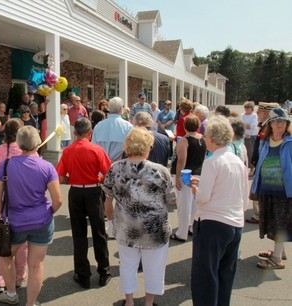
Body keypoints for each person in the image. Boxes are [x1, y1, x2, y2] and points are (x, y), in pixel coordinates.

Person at [103, 127, 176, 306]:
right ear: (148, 147)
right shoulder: (160, 171)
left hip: (126, 227)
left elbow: (107, 200)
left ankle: (129, 302)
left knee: (127, 265)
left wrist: (111, 221)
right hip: (155, 230)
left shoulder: (115, 168)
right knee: (154, 268)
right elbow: (172, 200)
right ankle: (148, 303)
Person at [0, 126, 62, 306]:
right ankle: (30, 303)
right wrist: (48, 212)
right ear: (38, 142)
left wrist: (3, 213)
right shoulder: (47, 167)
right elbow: (58, 200)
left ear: (19, 142)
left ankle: (11, 294)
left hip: (14, 222)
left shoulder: (5, 165)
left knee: (5, 257)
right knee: (36, 265)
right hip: (41, 221)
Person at [189, 115, 249, 306]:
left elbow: (203, 198)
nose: (204, 139)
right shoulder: (237, 161)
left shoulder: (212, 161)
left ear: (212, 138)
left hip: (212, 224)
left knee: (205, 277)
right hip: (234, 224)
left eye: (206, 136)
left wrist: (195, 190)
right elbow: (242, 195)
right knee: (225, 275)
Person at [56, 118, 112, 289]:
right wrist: (99, 178)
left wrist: (72, 178)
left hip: (76, 192)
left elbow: (60, 177)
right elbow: (108, 173)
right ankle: (104, 271)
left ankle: (82, 274)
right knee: (99, 232)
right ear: (90, 133)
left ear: (74, 133)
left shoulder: (67, 151)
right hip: (94, 191)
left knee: (79, 234)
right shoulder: (97, 149)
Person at [0, 118, 28, 293]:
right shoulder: (26, 151)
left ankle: (0, 278)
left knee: (5, 239)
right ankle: (19, 276)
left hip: (4, 199)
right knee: (22, 242)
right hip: (23, 199)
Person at [251, 107, 292, 269]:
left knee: (280, 222)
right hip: (267, 189)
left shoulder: (290, 142)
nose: (280, 124)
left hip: (283, 191)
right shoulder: (266, 141)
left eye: (283, 122)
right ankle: (279, 251)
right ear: (271, 124)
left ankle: (276, 259)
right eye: (277, 122)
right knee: (273, 221)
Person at [171, 115, 206, 242]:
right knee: (194, 205)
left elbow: (181, 161)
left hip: (187, 175)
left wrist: (178, 177)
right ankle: (192, 227)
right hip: (199, 173)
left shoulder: (184, 140)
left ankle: (182, 233)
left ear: (185, 126)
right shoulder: (203, 139)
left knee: (183, 205)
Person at [246, 102, 280, 224]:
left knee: (260, 190)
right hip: (262, 164)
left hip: (265, 166)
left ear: (266, 113)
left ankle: (260, 215)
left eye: (259, 111)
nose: (257, 114)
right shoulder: (266, 125)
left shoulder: (269, 127)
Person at [92, 97, 133, 161]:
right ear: (121, 109)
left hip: (101, 165)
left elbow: (93, 147)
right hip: (120, 166)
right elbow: (131, 149)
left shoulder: (98, 126)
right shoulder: (128, 126)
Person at [241, 101, 258, 177]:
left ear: (252, 108)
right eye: (245, 107)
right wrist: (246, 126)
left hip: (251, 136)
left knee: (250, 153)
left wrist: (244, 125)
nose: (246, 109)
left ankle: (252, 168)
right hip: (242, 136)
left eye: (248, 107)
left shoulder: (254, 116)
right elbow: (239, 125)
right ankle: (243, 168)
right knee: (242, 152)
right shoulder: (242, 115)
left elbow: (252, 126)